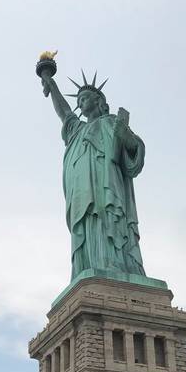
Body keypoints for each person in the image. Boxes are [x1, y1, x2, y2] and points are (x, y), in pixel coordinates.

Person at [39, 65, 146, 281]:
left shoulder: (110, 123)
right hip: (81, 195)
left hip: (106, 187)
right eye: (78, 101)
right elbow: (64, 112)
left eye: (85, 98)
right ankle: (88, 266)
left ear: (99, 102)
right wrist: (51, 84)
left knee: (107, 220)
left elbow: (134, 150)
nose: (80, 103)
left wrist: (127, 139)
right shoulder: (76, 131)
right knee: (87, 229)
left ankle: (115, 264)